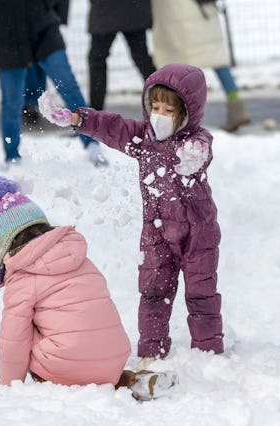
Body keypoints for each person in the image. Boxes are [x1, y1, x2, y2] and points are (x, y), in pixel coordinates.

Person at [38, 63, 224, 359]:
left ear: (188, 112)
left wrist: (194, 159)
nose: (160, 116)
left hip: (198, 234)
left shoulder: (195, 140)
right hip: (157, 231)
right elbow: (111, 127)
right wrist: (75, 119)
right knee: (152, 292)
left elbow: (202, 150)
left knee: (201, 295)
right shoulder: (143, 140)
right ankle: (151, 351)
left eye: (169, 110)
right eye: (156, 107)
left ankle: (209, 355)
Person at [0, 174, 178, 400]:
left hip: (65, 366)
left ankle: (78, 379)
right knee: (74, 332)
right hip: (113, 357)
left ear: (3, 245)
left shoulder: (23, 277)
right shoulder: (80, 257)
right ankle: (132, 381)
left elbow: (13, 341)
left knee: (25, 330)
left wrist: (8, 386)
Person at [0, 0, 109, 168]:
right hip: (5, 36)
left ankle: (92, 144)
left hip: (43, 30)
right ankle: (12, 156)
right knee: (11, 102)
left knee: (68, 87)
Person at [151, 0, 250, 132]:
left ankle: (182, 118)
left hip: (177, 17)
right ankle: (237, 106)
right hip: (204, 14)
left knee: (180, 68)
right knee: (218, 61)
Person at [88, 0, 156, 111]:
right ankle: (166, 99)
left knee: (97, 61)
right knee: (142, 58)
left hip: (105, 11)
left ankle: (96, 113)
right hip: (133, 9)